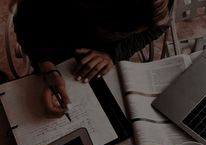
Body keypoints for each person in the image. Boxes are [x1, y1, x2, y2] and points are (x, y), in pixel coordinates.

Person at [12, 0, 171, 118]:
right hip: (56, 46)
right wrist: (48, 69)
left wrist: (112, 53)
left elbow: (160, 26)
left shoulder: (155, 5)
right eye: (112, 33)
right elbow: (26, 26)